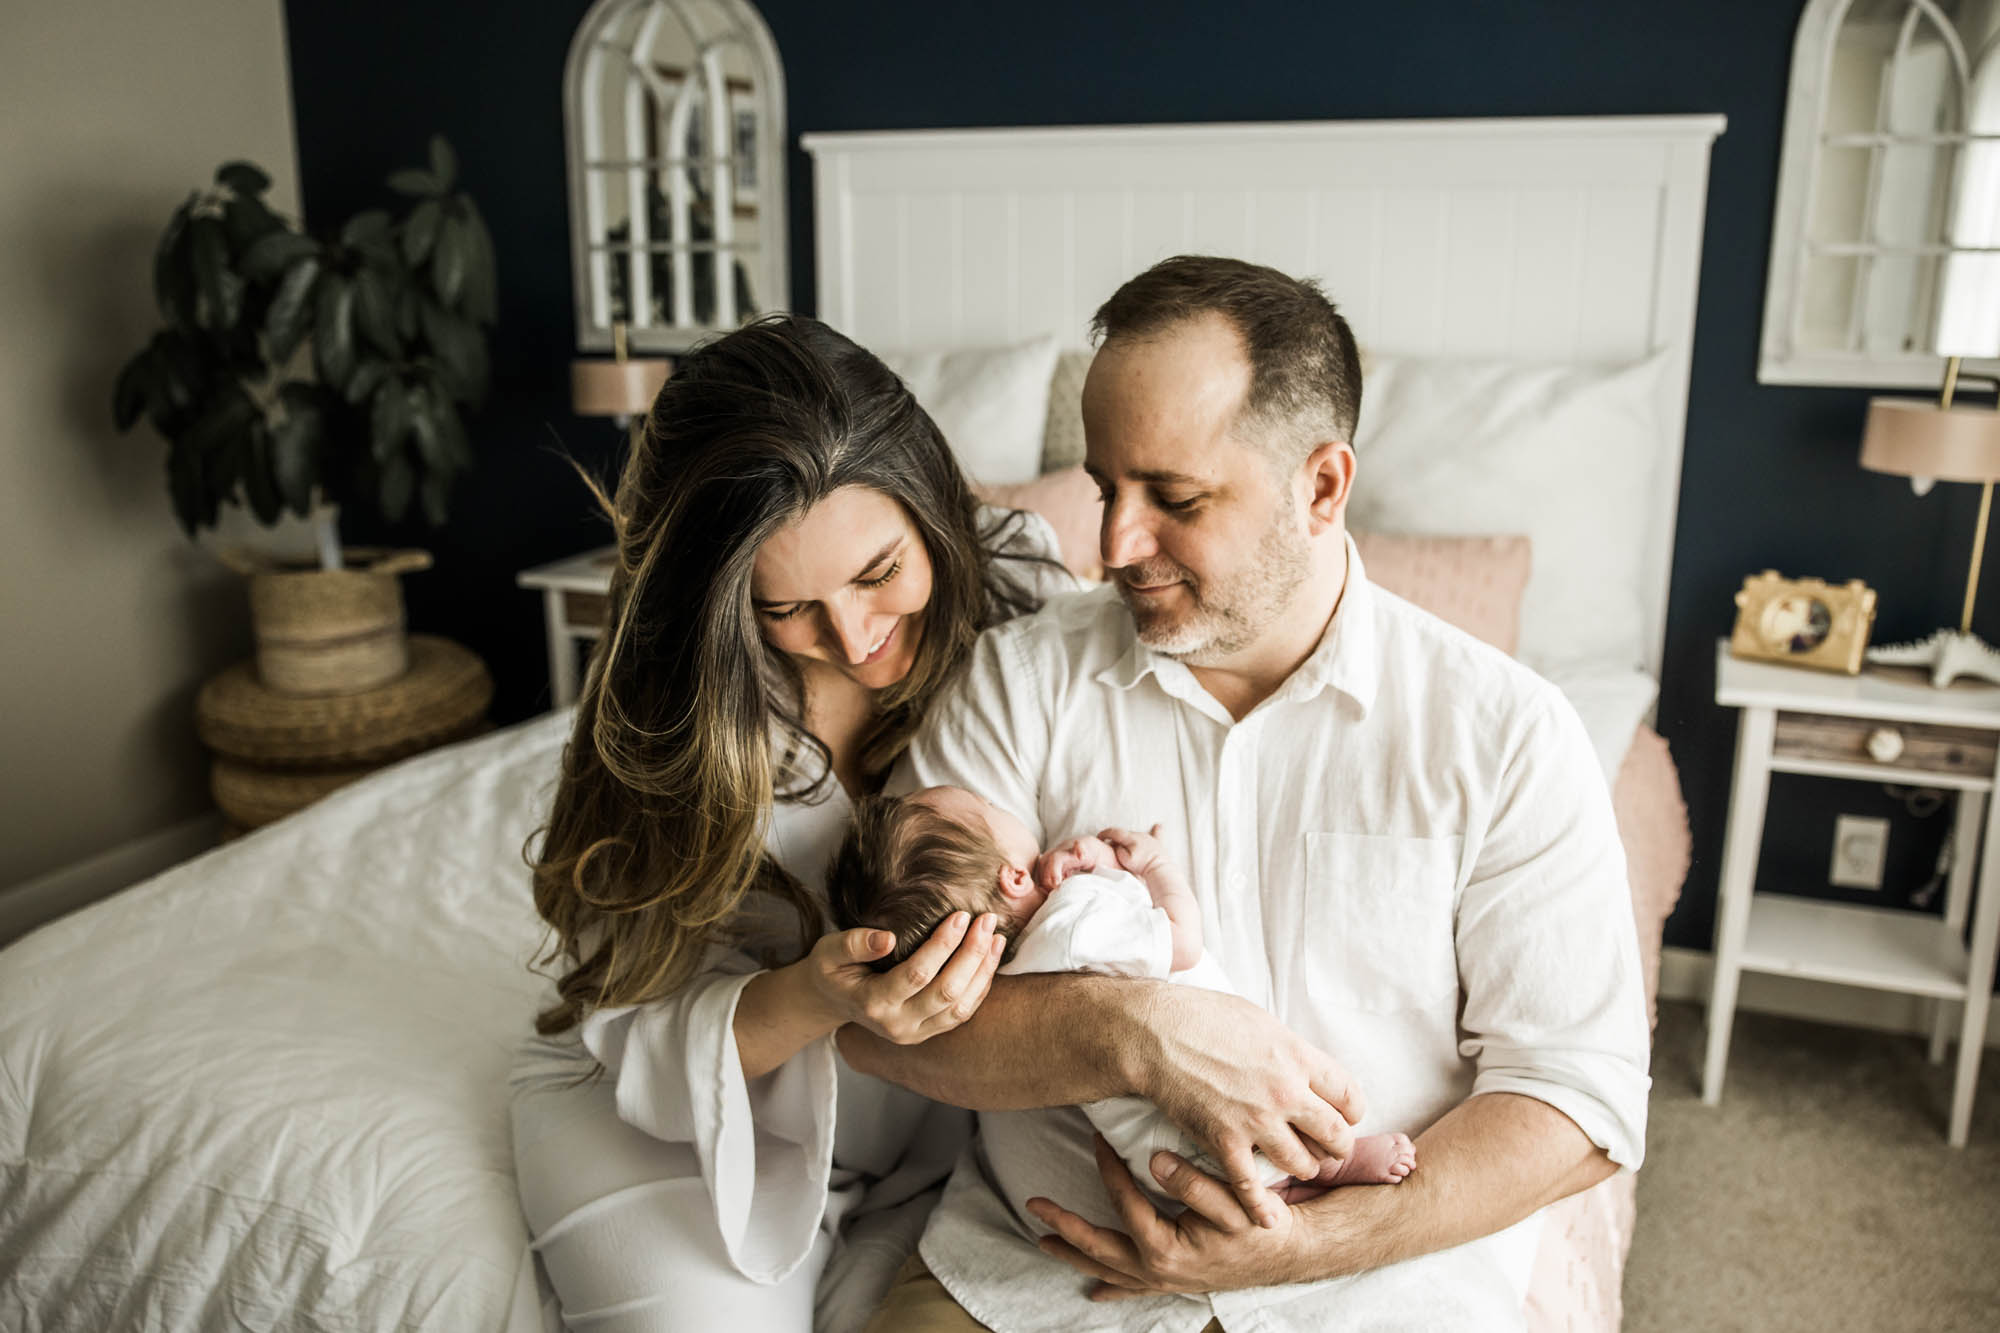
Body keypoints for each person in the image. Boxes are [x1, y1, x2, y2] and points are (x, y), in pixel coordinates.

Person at [847, 256, 1653, 1332]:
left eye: (1173, 498)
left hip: (1379, 1284)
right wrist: (1132, 1027)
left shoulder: (1503, 731)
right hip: (1042, 1275)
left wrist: (1306, 1245)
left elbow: (1578, 1097)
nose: (1115, 546)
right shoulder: (1019, 679)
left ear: (1320, 486)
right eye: (1103, 489)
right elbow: (888, 1017)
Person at [507, 314, 1077, 1333]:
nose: (855, 640)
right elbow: (628, 1005)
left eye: (878, 574)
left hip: (950, 1104)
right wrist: (818, 997)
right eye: (788, 609)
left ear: (929, 506)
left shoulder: (1018, 588)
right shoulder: (668, 704)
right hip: (681, 1110)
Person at [825, 786, 1418, 1210]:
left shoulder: (1008, 977)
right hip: (1215, 1119)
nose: (1001, 805)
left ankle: (1288, 1191)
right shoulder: (1077, 918)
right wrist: (1158, 870)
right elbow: (1179, 945)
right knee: (1280, 1142)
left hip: (1155, 1160)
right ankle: (1335, 1164)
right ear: (1013, 878)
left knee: (1249, 1181)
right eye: (991, 808)